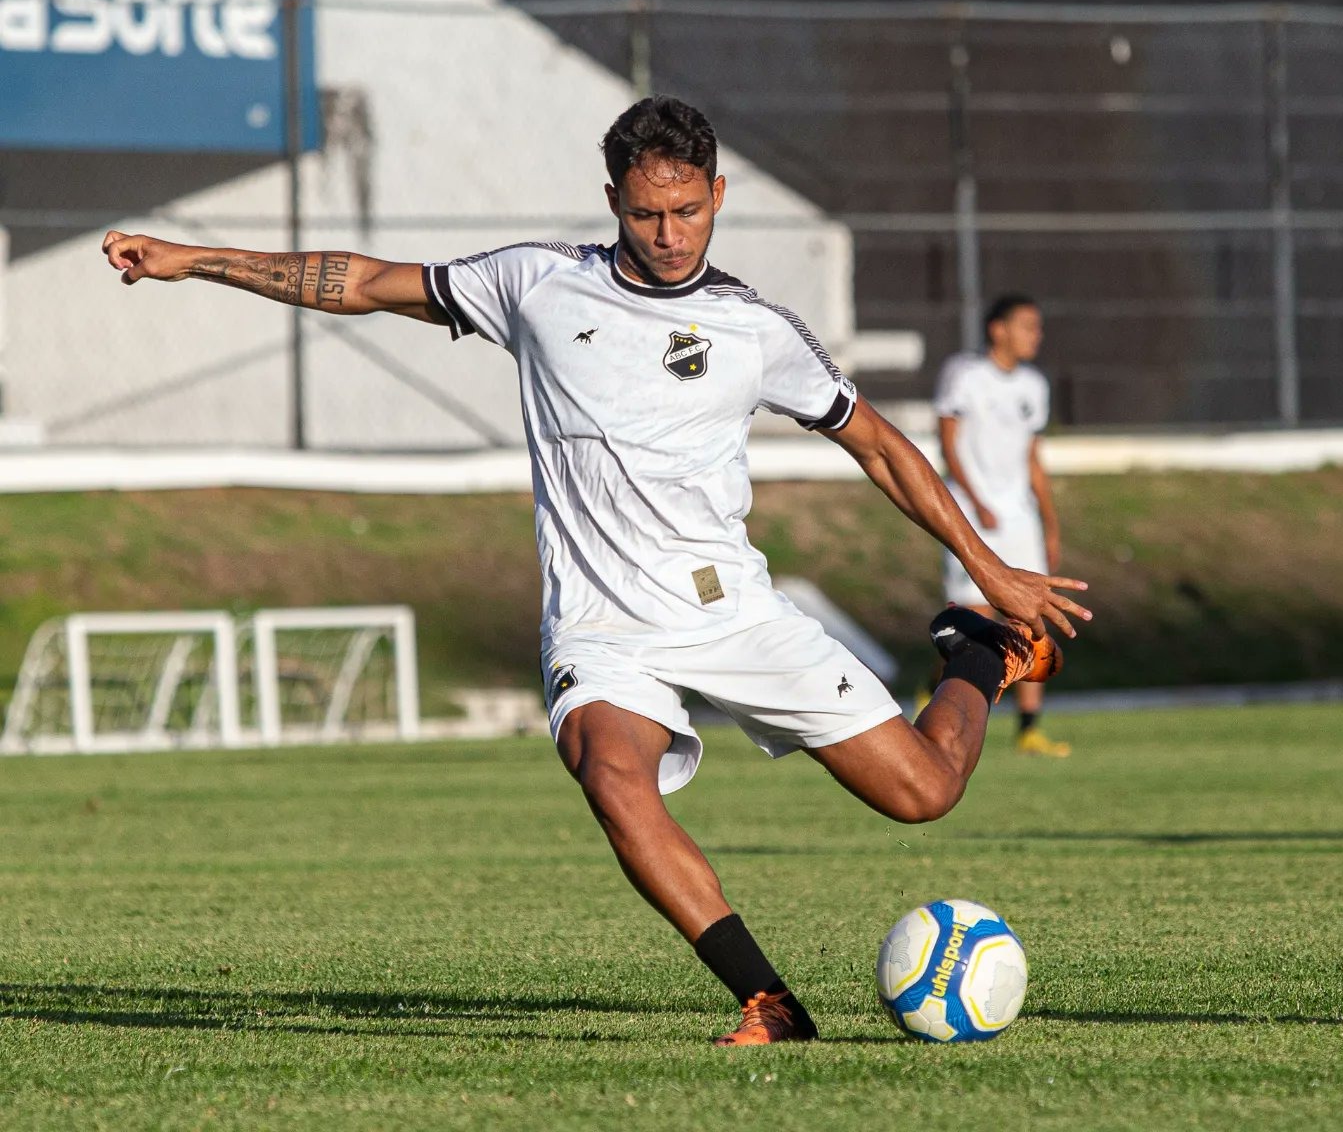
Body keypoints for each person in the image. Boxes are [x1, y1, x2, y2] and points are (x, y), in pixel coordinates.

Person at [102, 96, 1089, 1045]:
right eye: (648, 212)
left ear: (719, 194)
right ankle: (769, 1001)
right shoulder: (536, 283)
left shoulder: (757, 330)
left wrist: (985, 569)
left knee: (921, 794)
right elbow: (361, 282)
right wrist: (197, 261)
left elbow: (877, 444)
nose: (669, 232)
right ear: (613, 199)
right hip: (601, 626)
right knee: (611, 774)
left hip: (728, 609)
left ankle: (975, 655)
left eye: (689, 210)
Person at [935, 295, 1071, 758]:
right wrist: (974, 501)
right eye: (1027, 326)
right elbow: (947, 443)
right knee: (974, 621)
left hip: (1019, 518)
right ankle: (941, 708)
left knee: (1033, 619)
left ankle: (1029, 729)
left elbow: (1033, 459)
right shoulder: (965, 375)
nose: (1037, 335)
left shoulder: (1033, 385)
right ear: (998, 329)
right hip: (974, 516)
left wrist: (1049, 523)